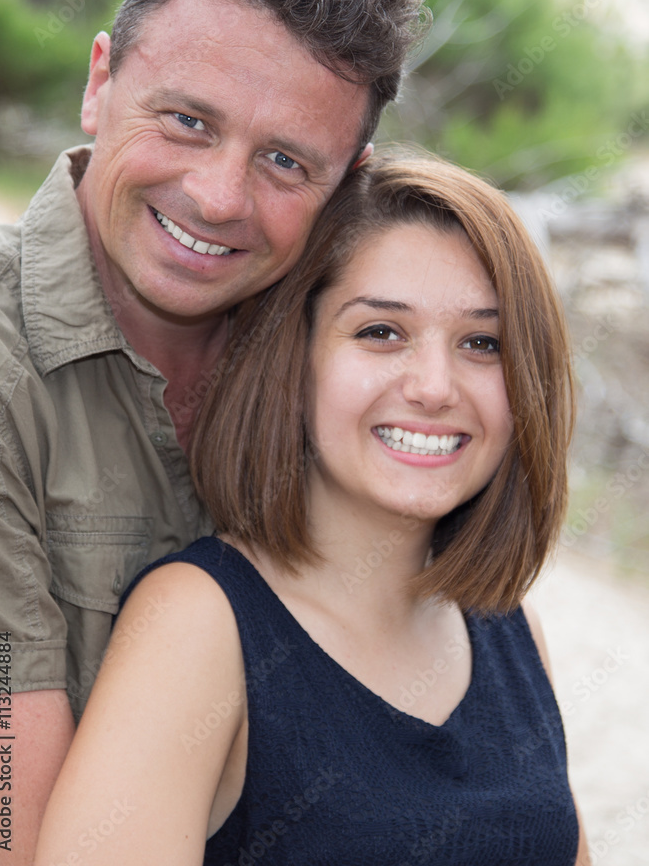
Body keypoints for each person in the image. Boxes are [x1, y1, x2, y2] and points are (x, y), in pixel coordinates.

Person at [0, 0, 423, 863]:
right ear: (101, 82)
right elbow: (10, 830)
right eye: (185, 119)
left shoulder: (355, 367)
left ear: (344, 184)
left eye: (284, 162)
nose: (218, 195)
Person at [34, 148, 590, 865]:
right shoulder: (200, 623)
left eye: (482, 344)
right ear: (293, 359)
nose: (432, 385)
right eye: (379, 331)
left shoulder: (514, 632)